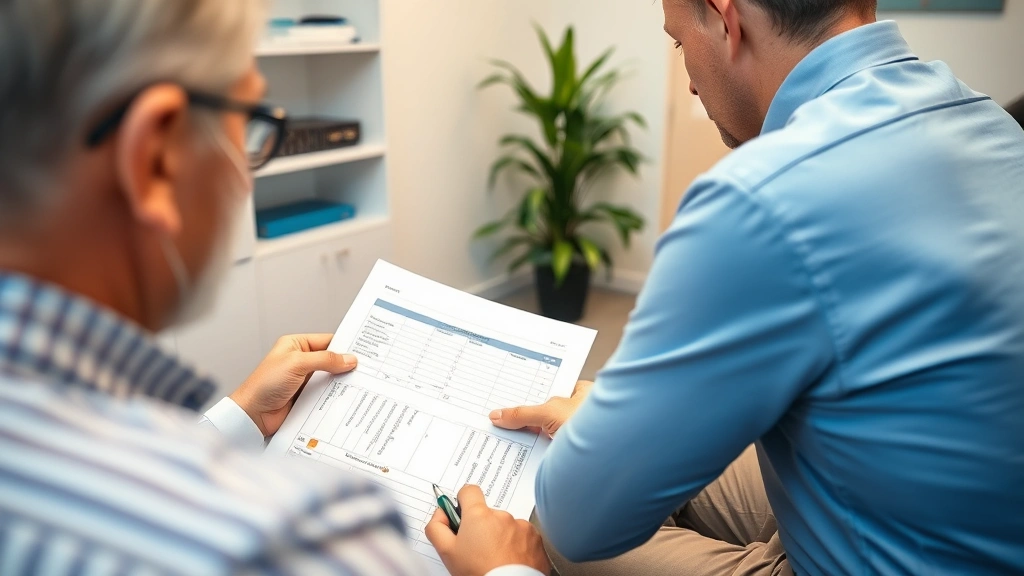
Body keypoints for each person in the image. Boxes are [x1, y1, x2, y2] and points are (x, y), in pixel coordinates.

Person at [431, 0, 1024, 575]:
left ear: (724, 17)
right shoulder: (992, 124)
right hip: (966, 514)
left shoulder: (762, 196)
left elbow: (578, 522)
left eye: (677, 41)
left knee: (547, 523)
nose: (687, 81)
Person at [0, 1, 548, 575]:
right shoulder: (288, 539)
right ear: (154, 156)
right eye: (250, 123)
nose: (243, 172)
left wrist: (239, 418)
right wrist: (509, 571)